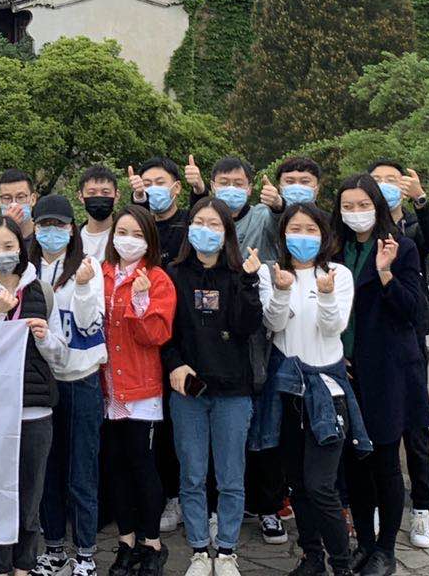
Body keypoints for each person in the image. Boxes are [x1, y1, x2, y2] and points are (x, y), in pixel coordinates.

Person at [253, 203, 368, 576]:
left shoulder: (338, 274)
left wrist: (327, 295)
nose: (302, 237)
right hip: (286, 390)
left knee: (321, 485)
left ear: (324, 235)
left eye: (310, 230)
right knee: (298, 484)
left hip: (327, 392)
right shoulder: (272, 273)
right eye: (295, 229)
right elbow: (273, 324)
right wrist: (282, 290)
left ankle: (341, 564)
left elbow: (334, 328)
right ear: (283, 234)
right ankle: (312, 558)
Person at [188, 154, 288, 545]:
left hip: (251, 352)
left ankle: (267, 508)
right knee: (209, 449)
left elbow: (284, 229)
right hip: (204, 359)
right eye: (223, 182)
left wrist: (278, 207)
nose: (231, 189)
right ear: (212, 185)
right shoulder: (192, 260)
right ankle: (212, 514)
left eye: (238, 183)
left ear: (250, 186)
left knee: (259, 434)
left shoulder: (262, 219)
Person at [0, 216, 69, 576]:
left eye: (8, 246)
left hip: (35, 412)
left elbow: (61, 356)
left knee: (29, 500)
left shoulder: (42, 292)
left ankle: (24, 566)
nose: (1, 253)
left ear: (21, 250)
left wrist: (45, 338)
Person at [334, 175, 429, 576]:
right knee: (355, 464)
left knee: (385, 463)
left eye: (363, 205)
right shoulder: (334, 250)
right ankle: (365, 543)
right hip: (345, 372)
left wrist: (386, 273)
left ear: (376, 206)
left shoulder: (400, 247)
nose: (356, 213)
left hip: (388, 372)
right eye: (348, 206)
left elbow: (414, 311)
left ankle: (385, 549)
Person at [163, 199, 264, 576]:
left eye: (214, 224)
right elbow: (164, 332)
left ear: (227, 233)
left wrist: (250, 282)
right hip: (189, 390)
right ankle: (199, 551)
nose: (205, 230)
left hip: (233, 390)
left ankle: (226, 551)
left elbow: (247, 327)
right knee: (191, 475)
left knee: (230, 477)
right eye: (199, 222)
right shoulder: (174, 274)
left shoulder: (239, 273)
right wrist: (174, 363)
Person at [29, 196, 106, 576]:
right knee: (48, 472)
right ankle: (55, 549)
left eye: (59, 225)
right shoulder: (26, 269)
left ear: (72, 229)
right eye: (44, 225)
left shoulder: (87, 266)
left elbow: (91, 323)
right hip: (40, 383)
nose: (52, 232)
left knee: (81, 473)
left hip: (80, 379)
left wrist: (85, 287)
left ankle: (86, 554)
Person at [367, 160, 429, 550]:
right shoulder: (364, 231)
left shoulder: (412, 230)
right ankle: (380, 504)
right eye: (376, 179)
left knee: (415, 431)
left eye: (391, 179)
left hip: (410, 339)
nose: (384, 185)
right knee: (378, 431)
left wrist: (421, 200)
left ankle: (422, 508)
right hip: (374, 341)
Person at [101, 206, 175, 576]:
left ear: (149, 240)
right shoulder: (100, 273)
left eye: (137, 234)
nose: (127, 240)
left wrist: (141, 303)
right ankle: (126, 541)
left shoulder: (157, 278)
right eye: (122, 232)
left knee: (142, 464)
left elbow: (156, 336)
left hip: (141, 387)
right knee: (115, 465)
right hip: (107, 386)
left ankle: (152, 543)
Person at [126, 158, 188, 535]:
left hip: (181, 334)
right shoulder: (138, 229)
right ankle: (161, 495)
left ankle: (181, 496)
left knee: (180, 425)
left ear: (177, 187)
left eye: (159, 182)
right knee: (154, 428)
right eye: (146, 184)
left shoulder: (189, 226)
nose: (152, 190)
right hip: (144, 337)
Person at [77, 166, 119, 262]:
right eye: (92, 193)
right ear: (81, 196)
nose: (99, 196)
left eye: (105, 192)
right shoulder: (71, 240)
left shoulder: (124, 238)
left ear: (116, 196)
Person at [0, 168, 38, 240]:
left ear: (33, 199)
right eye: (7, 198)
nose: (14, 204)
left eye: (20, 197)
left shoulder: (43, 238)